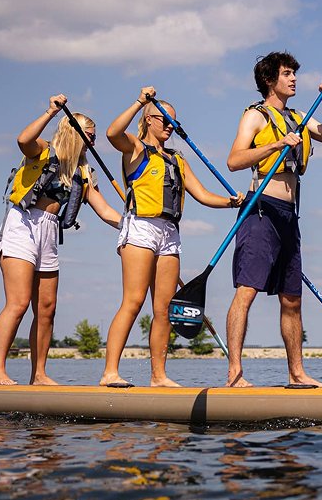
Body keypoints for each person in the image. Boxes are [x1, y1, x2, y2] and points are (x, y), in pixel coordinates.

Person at [100, 87, 243, 388]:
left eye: (173, 123)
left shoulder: (178, 160)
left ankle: (159, 376)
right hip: (140, 227)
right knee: (134, 301)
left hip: (169, 234)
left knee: (165, 308)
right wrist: (140, 101)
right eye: (164, 120)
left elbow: (203, 195)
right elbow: (113, 133)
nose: (169, 126)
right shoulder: (135, 148)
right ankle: (110, 372)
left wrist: (233, 201)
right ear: (149, 120)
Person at [225, 52, 322, 387]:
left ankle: (297, 374)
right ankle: (235, 373)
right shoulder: (255, 116)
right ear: (269, 80)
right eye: (287, 73)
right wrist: (276, 143)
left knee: (292, 299)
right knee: (246, 291)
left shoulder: (300, 117)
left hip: (289, 217)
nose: (294, 78)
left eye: (294, 73)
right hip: (261, 210)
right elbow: (234, 160)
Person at [0, 94, 122, 385]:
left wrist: (130, 226)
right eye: (90, 136)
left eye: (95, 137)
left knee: (47, 308)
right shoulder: (42, 150)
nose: (94, 143)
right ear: (74, 133)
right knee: (19, 302)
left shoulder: (84, 172)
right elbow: (23, 139)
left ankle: (39, 375)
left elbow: (104, 209)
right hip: (23, 223)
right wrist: (50, 112)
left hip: (49, 232)